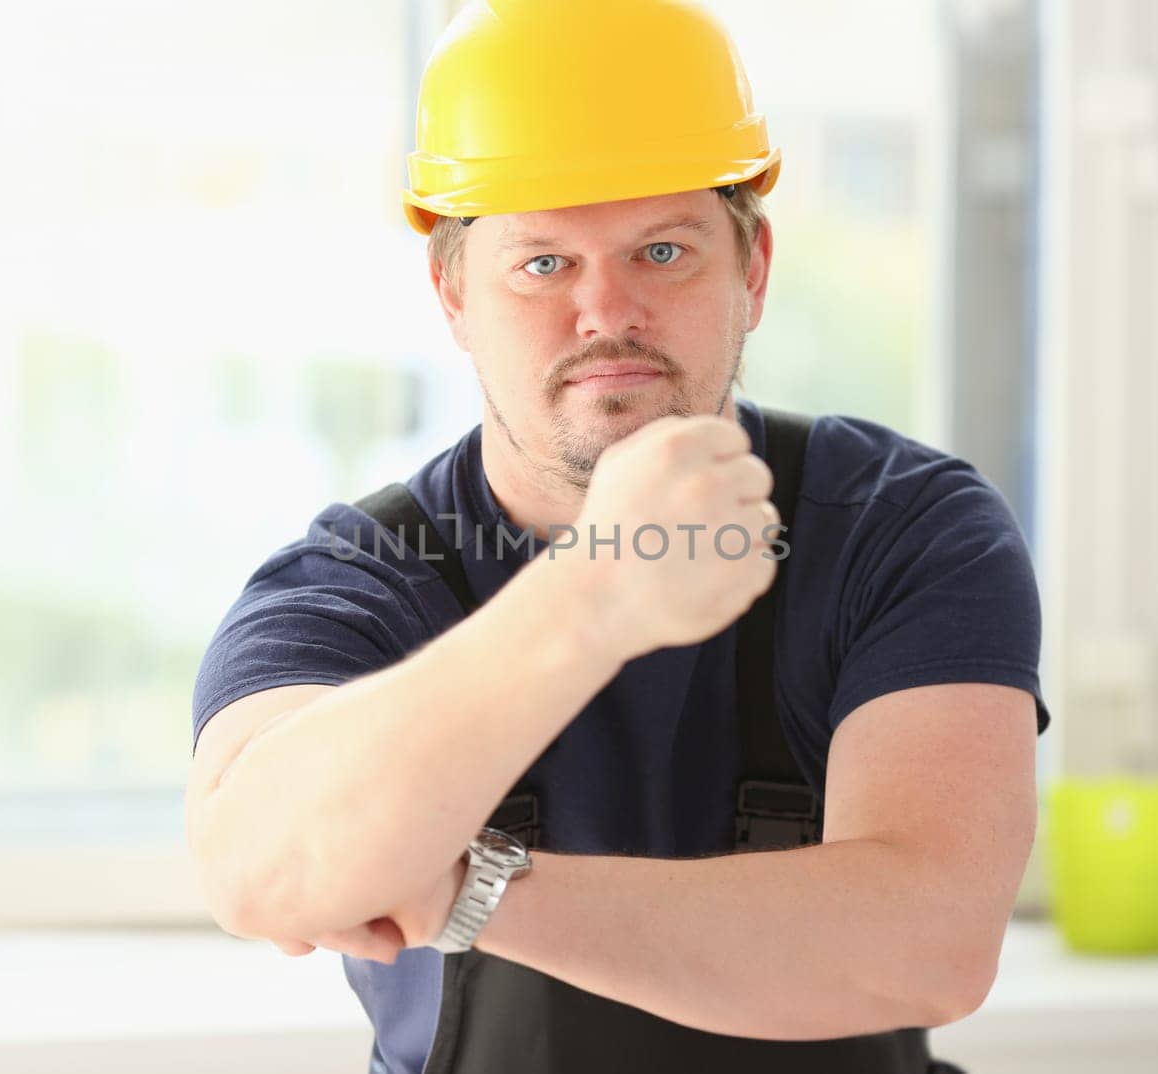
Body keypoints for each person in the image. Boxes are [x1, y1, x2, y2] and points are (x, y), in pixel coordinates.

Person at [186, 2, 1049, 1071]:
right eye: (541, 264)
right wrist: (593, 593)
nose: (606, 312)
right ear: (453, 295)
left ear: (754, 270)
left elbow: (925, 946)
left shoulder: (901, 530)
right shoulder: (357, 583)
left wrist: (464, 891)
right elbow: (261, 872)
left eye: (661, 249)